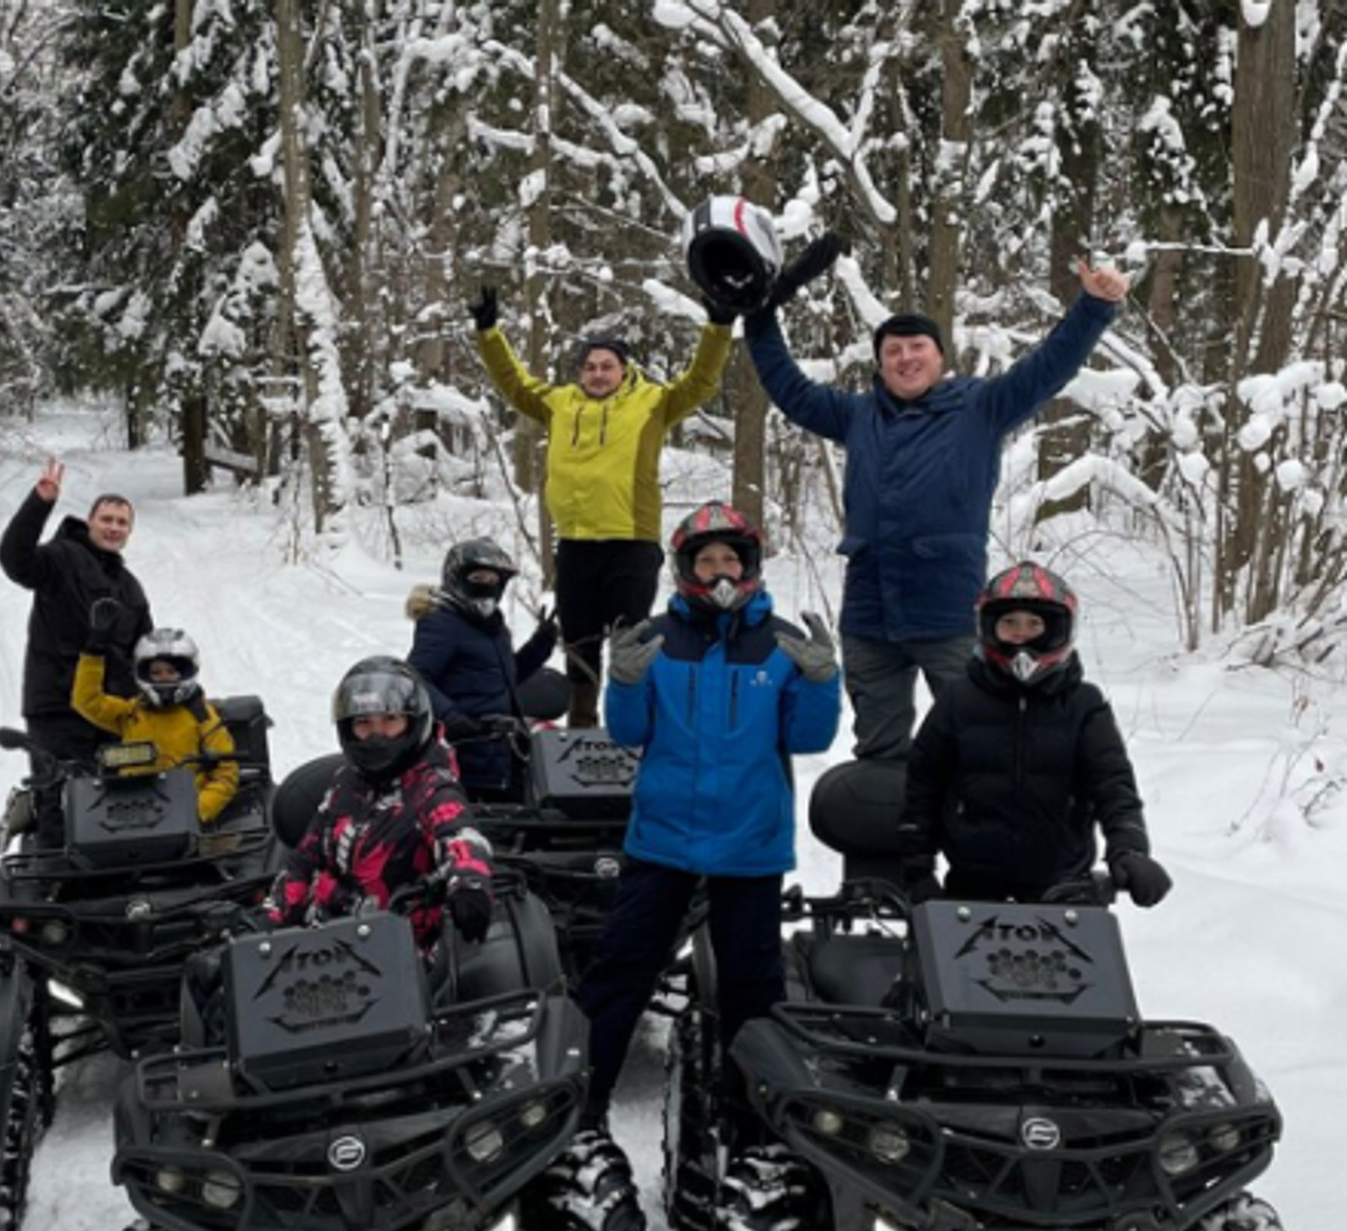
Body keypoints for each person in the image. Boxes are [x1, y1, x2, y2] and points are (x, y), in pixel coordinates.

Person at [743, 238, 1131, 760]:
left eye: (916, 347)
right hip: (869, 613)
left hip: (948, 609)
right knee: (880, 749)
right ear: (879, 365)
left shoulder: (982, 406)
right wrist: (760, 320)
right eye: (893, 351)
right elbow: (787, 387)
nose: (905, 358)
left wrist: (1095, 307)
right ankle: (889, 841)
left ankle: (977, 839)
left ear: (939, 357)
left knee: (979, 743)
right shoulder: (856, 415)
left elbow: (1049, 367)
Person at [575, 504, 841, 1127]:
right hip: (663, 838)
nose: (719, 570)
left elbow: (808, 738)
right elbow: (628, 731)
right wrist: (627, 681)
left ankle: (753, 1121)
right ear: (685, 567)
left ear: (749, 565)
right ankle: (579, 1108)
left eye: (730, 558)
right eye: (706, 559)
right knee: (619, 973)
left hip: (750, 843)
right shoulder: (656, 639)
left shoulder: (779, 643)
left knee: (752, 985)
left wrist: (822, 682)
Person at [471, 287, 734, 728]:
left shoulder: (651, 402)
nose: (597, 374)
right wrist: (488, 332)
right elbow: (513, 384)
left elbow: (701, 381)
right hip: (576, 543)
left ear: (623, 369)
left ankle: (631, 724)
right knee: (579, 641)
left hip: (630, 541)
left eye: (606, 366)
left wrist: (718, 328)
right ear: (580, 372)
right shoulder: (559, 404)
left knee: (630, 642)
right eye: (590, 367)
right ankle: (582, 723)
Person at [898, 562, 1171, 908]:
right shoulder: (958, 700)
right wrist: (918, 870)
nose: (1021, 634)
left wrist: (1129, 850)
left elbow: (1113, 785)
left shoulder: (1084, 705)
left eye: (1033, 624)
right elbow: (923, 786)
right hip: (972, 888)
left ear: (1056, 629)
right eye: (1009, 623)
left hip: (1063, 889)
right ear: (989, 627)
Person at [265, 657, 496, 951]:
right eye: (364, 724)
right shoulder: (345, 784)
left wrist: (469, 884)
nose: (377, 735)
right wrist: (270, 924)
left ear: (413, 722)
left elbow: (459, 835)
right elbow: (305, 859)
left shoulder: (431, 788)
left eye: (390, 720)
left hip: (397, 955)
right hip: (323, 947)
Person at [0, 457, 153, 767]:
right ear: (90, 521)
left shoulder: (130, 589)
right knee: (60, 803)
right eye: (106, 519)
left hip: (114, 715)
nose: (113, 528)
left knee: (122, 804)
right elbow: (15, 559)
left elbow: (145, 654)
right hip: (59, 710)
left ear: (130, 531)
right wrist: (38, 504)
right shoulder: (61, 558)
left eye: (121, 523)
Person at [405, 537, 559, 795]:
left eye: (494, 580)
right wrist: (451, 718)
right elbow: (415, 678)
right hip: (463, 752)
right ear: (458, 577)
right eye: (479, 578)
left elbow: (503, 679)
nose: (488, 586)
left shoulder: (494, 628)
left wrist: (540, 645)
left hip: (504, 751)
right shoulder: (442, 623)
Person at [71, 610, 240, 824]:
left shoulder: (203, 718)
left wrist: (196, 811)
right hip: (130, 814)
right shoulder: (131, 713)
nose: (164, 678)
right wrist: (94, 650)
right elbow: (86, 701)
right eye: (157, 673)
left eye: (171, 672)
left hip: (184, 816)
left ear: (186, 672)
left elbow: (226, 775)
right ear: (143, 674)